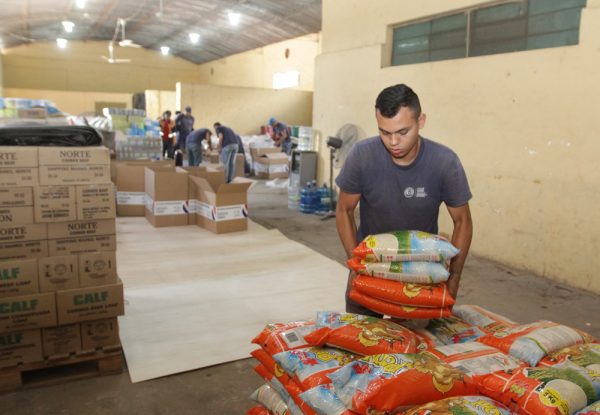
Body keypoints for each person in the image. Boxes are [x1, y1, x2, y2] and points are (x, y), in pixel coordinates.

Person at [335, 84, 473, 317]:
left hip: (420, 271)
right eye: (384, 132)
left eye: (402, 132)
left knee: (415, 346)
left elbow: (463, 222)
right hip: (370, 266)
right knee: (363, 340)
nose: (393, 142)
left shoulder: (444, 162)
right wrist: (355, 265)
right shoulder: (362, 155)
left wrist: (454, 278)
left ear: (421, 121)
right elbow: (344, 210)